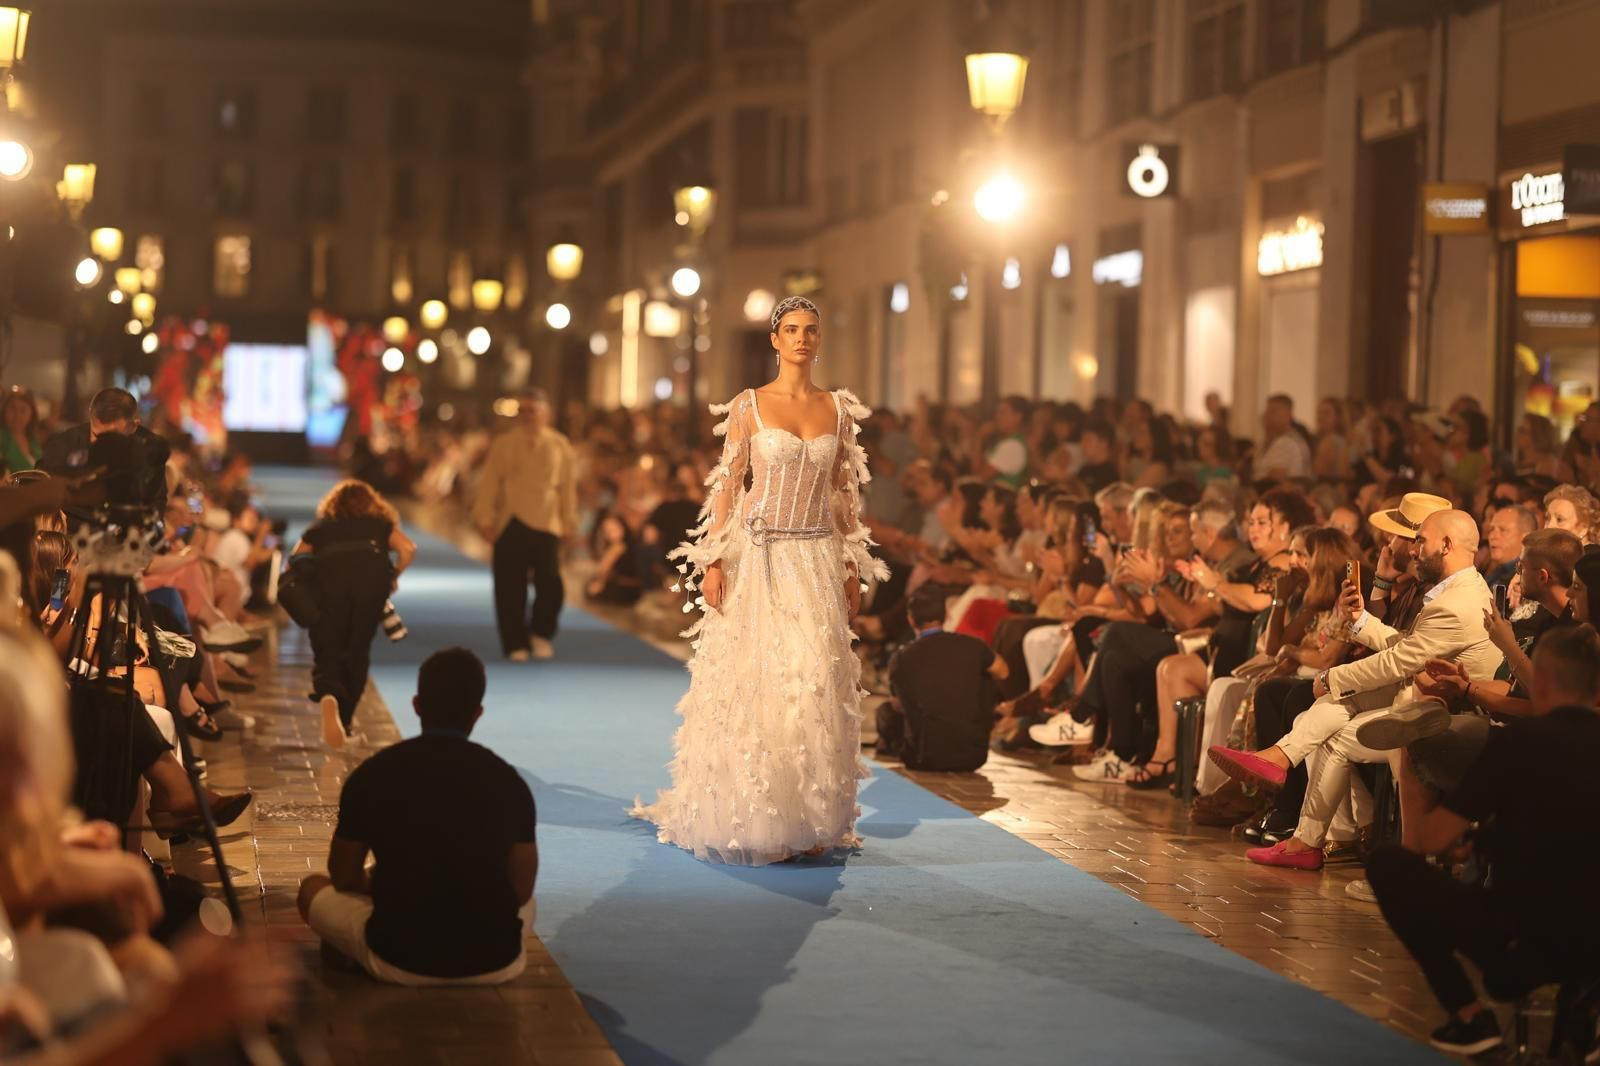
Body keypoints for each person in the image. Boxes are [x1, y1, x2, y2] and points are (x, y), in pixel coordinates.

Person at [631, 295, 889, 865]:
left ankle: (812, 815)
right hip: (760, 555)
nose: (801, 338)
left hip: (816, 559)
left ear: (819, 339)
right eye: (791, 329)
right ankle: (759, 812)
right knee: (762, 680)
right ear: (775, 339)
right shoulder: (749, 405)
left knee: (814, 679)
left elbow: (845, 493)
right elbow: (727, 485)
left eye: (810, 330)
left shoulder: (838, 410)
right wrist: (714, 559)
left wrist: (851, 564)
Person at [1359, 624, 1600, 1056]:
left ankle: (1470, 1016)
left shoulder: (1519, 741)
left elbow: (1432, 839)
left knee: (1387, 864)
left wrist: (1462, 836)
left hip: (1519, 937)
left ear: (1541, 682)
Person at [297, 648, 538, 985]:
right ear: (477, 713)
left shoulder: (374, 774)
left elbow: (344, 875)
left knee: (312, 888)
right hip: (497, 961)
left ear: (417, 705)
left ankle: (349, 953)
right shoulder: (509, 782)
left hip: (398, 957)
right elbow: (521, 890)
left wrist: (381, 883)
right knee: (530, 905)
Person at [294, 479, 416, 748]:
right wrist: (393, 574)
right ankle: (346, 721)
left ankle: (328, 693)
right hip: (370, 588)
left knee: (329, 647)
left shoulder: (321, 528)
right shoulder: (381, 526)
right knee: (357, 650)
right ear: (372, 503)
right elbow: (408, 548)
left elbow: (296, 558)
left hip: (328, 589)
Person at [473, 389, 579, 662]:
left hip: (548, 522)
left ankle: (541, 632)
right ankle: (514, 641)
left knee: (550, 583)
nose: (527, 416)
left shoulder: (560, 445)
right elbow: (490, 483)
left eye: (532, 410)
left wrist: (569, 522)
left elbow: (567, 488)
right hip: (511, 520)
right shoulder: (504, 444)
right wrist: (485, 518)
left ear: (546, 413)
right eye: (522, 411)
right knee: (510, 585)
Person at [877, 585, 1007, 771]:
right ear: (946, 615)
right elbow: (1003, 672)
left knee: (886, 711)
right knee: (986, 674)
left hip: (924, 757)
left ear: (911, 619)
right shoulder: (974, 646)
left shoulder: (902, 658)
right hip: (974, 756)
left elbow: (898, 705)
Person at [37, 388, 171, 511]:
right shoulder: (66, 444)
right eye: (97, 436)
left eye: (112, 438)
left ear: (133, 427)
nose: (103, 445)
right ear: (91, 418)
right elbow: (42, 479)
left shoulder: (149, 448)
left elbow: (156, 501)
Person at [1257, 394, 1312, 480]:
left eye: (1273, 412)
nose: (1267, 416)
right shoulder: (1293, 439)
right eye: (1267, 411)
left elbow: (1274, 480)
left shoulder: (1285, 443)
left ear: (1288, 414)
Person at [0, 386, 42, 476]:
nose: (17, 415)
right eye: (12, 409)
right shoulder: (2, 438)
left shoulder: (33, 440)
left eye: (23, 410)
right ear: (4, 411)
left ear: (32, 414)